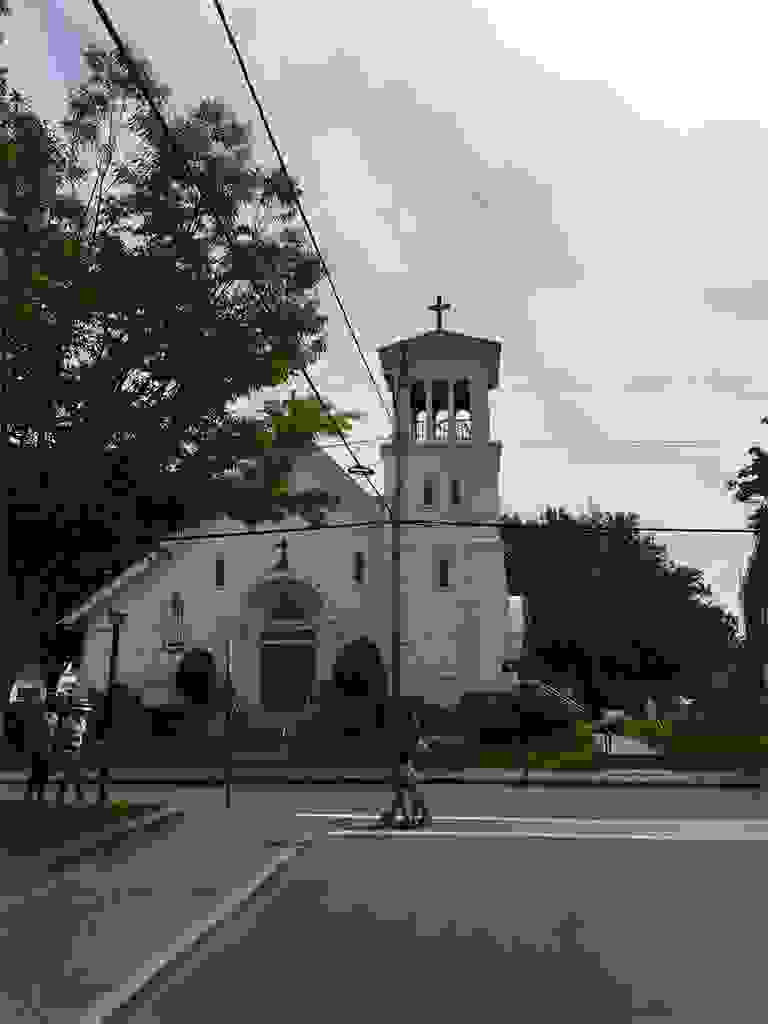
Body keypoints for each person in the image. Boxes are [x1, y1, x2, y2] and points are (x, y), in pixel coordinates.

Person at [23, 694, 57, 802]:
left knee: (44, 774)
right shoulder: (40, 715)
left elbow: (53, 733)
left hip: (46, 749)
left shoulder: (54, 717)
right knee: (36, 773)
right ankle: (30, 792)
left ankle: (40, 795)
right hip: (38, 749)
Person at [53, 701, 88, 804]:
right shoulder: (67, 720)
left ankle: (77, 795)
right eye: (81, 711)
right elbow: (63, 735)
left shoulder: (83, 721)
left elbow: (82, 734)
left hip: (78, 749)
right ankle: (64, 795)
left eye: (83, 712)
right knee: (69, 774)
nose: (83, 713)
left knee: (77, 774)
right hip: (68, 749)